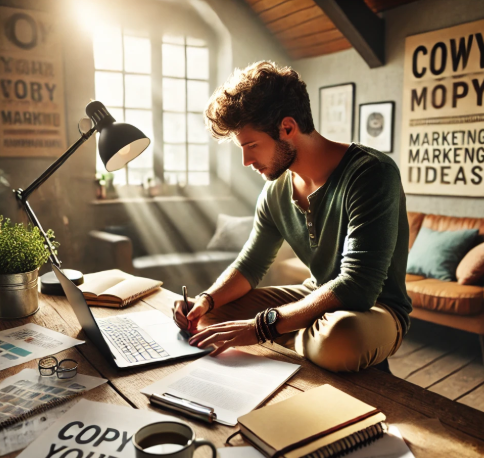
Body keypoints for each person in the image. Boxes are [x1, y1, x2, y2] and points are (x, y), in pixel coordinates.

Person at [173, 61, 412, 373]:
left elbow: (358, 286)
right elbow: (250, 265)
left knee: (340, 340)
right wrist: (206, 299)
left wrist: (261, 328)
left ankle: (289, 339)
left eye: (251, 146)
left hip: (375, 309)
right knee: (209, 319)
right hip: (314, 296)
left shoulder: (371, 172)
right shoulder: (276, 190)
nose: (246, 161)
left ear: (287, 128)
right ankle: (298, 340)